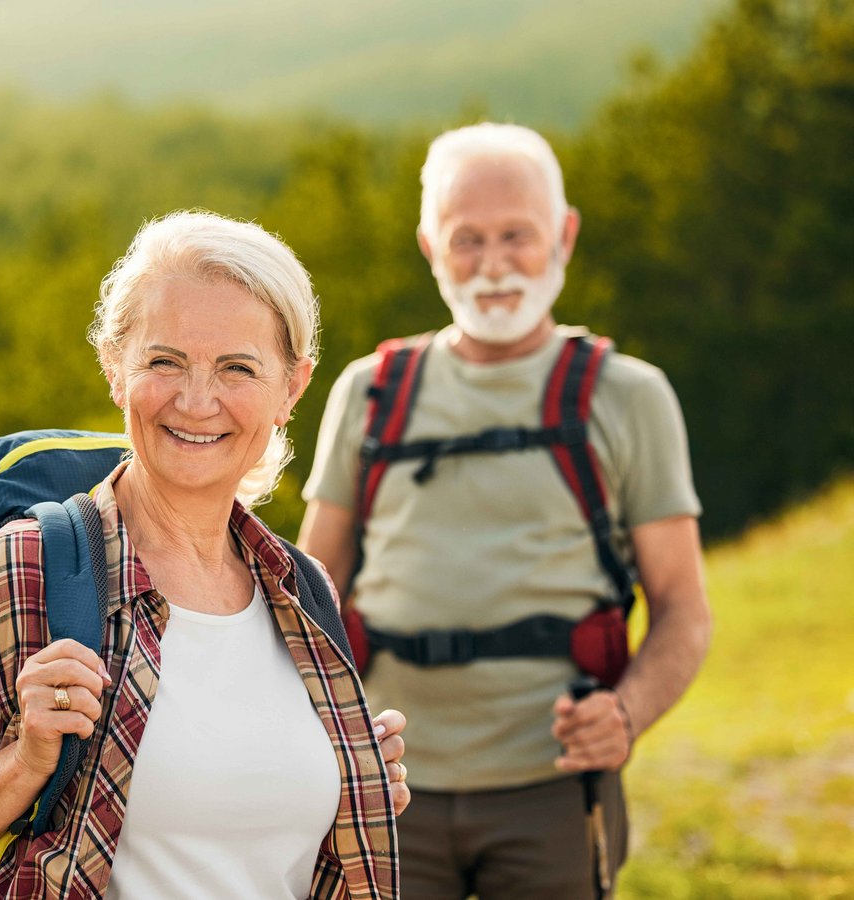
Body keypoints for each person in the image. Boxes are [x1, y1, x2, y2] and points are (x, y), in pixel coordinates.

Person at [0, 211, 410, 899]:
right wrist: (26, 762)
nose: (197, 400)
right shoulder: (18, 574)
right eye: (164, 361)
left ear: (291, 389)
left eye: (238, 368)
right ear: (116, 369)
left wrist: (352, 785)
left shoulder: (303, 590)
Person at [297, 123, 712, 898]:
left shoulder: (629, 396)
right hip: (386, 784)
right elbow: (308, 593)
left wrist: (626, 715)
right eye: (466, 240)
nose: (492, 266)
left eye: (516, 236)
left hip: (552, 790)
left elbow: (685, 609)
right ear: (430, 246)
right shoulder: (369, 391)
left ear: (564, 234)